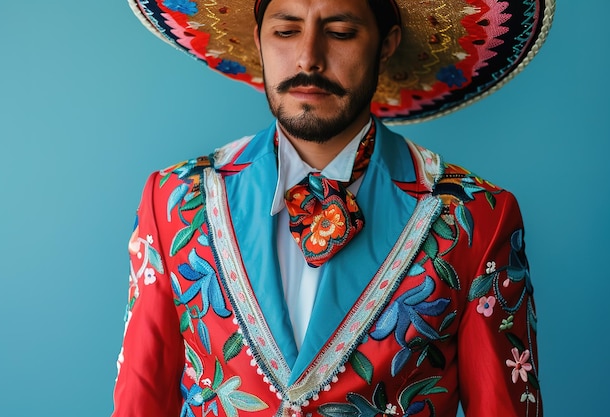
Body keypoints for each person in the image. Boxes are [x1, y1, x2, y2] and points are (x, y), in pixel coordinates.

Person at [113, 0, 554, 416]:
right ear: (259, 38)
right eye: (286, 30)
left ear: (386, 44)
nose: (308, 58)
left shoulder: (477, 218)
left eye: (340, 32)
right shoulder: (175, 201)